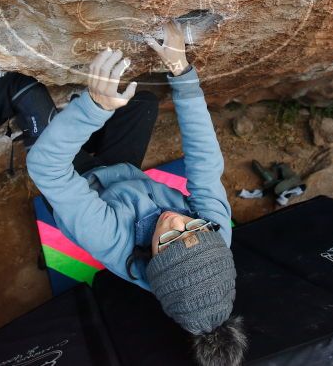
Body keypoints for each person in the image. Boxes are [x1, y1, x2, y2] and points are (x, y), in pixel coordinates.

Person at [26, 21, 247, 366]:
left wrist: (93, 108)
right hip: (125, 180)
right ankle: (77, 129)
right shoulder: (216, 231)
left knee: (24, 93)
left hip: (83, 187)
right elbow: (205, 157)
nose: (177, 220)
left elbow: (47, 169)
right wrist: (181, 68)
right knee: (142, 103)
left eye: (169, 239)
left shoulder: (110, 240)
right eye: (194, 227)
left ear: (151, 258)